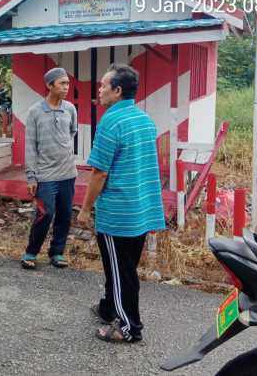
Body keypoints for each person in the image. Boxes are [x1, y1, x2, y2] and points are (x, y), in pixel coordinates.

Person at [77, 63, 166, 343]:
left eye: (103, 85)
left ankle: (129, 328)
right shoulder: (144, 120)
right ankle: (108, 308)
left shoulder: (111, 122)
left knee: (121, 272)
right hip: (141, 209)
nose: (99, 90)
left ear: (117, 91)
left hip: (118, 213)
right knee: (120, 268)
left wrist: (85, 209)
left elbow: (99, 172)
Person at [21, 67, 77, 270]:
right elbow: (30, 146)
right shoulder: (35, 111)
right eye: (62, 83)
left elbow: (72, 132)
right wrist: (31, 177)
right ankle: (31, 251)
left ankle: (57, 252)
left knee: (64, 214)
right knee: (46, 213)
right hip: (45, 175)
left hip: (68, 174)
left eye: (67, 83)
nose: (66, 87)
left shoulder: (70, 109)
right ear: (49, 85)